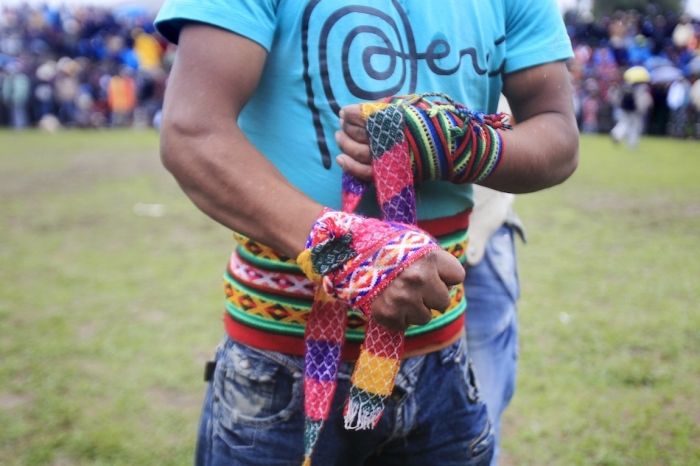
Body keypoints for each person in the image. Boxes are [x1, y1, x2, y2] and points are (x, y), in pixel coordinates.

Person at [155, 1, 578, 465]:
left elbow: (557, 134)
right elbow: (192, 130)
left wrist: (456, 146)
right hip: (281, 370)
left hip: (443, 365)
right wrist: (347, 249)